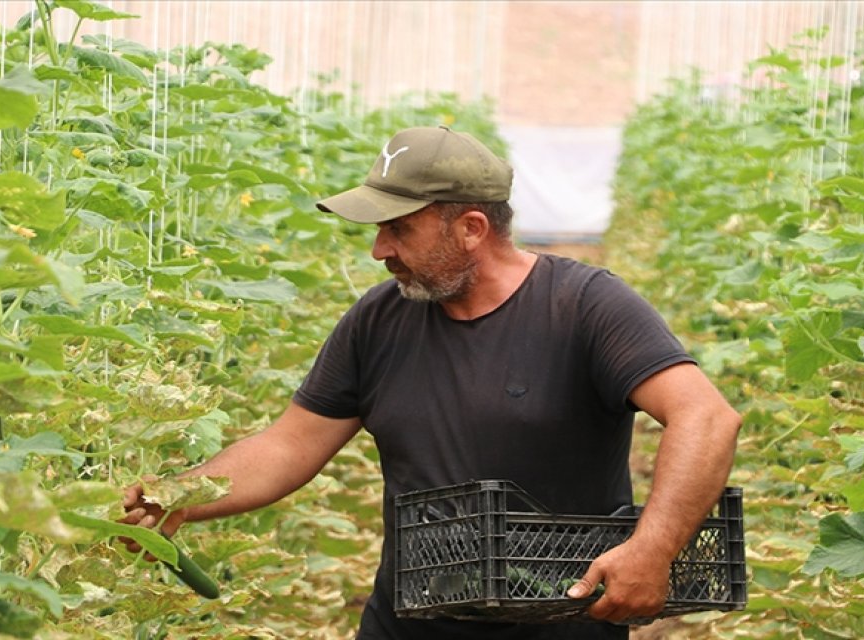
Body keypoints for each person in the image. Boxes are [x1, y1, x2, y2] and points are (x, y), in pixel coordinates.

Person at [120, 126, 742, 639]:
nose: (379, 250)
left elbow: (706, 417)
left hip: (560, 622)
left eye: (399, 229)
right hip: (408, 621)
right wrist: (177, 496)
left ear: (471, 228)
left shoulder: (584, 306)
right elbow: (289, 445)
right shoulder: (379, 319)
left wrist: (652, 550)